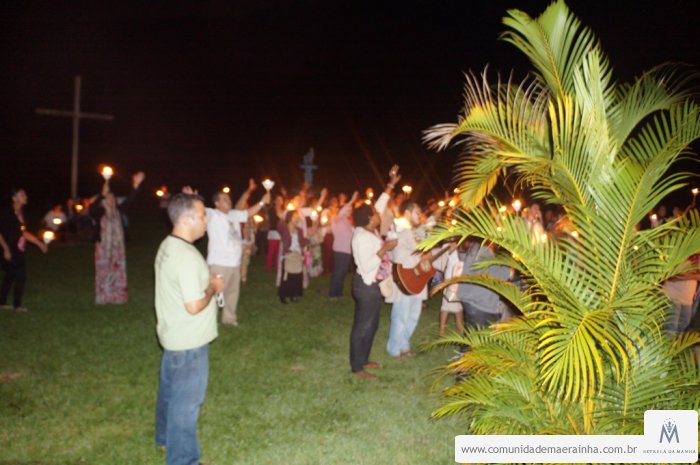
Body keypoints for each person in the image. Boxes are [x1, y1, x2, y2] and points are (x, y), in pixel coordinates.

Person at [154, 192, 224, 465]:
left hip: (173, 336)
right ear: (187, 219)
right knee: (186, 405)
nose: (206, 221)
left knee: (169, 393)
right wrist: (213, 287)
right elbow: (194, 305)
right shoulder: (185, 256)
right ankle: (183, 459)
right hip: (189, 343)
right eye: (203, 216)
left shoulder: (168, 245)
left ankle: (164, 438)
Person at [349, 166, 400, 379]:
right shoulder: (361, 237)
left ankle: (364, 359)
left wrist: (390, 185)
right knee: (362, 325)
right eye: (376, 214)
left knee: (373, 324)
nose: (379, 213)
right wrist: (384, 248)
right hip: (365, 285)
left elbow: (379, 204)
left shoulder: (370, 229)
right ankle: (357, 368)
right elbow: (367, 265)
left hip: (373, 285)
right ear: (370, 219)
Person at [198, 180, 269, 326]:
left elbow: (249, 212)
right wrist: (191, 198)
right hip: (219, 263)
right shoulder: (213, 214)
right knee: (213, 293)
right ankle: (206, 321)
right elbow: (198, 209)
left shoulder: (233, 215)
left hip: (234, 263)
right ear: (217, 203)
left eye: (229, 198)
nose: (229, 201)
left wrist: (262, 202)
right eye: (224, 199)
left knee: (232, 293)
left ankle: (229, 318)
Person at [89, 171, 145, 304]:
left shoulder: (119, 210)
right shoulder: (99, 211)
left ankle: (118, 296)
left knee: (118, 270)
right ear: (104, 200)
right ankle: (104, 297)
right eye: (108, 198)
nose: (111, 200)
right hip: (103, 247)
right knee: (104, 270)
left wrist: (135, 185)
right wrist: (102, 194)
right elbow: (92, 208)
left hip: (118, 247)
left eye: (113, 198)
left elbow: (130, 199)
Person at [385, 200, 431, 359]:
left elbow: (424, 251)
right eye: (417, 212)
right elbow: (397, 256)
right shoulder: (399, 230)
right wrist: (421, 257)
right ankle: (394, 349)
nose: (420, 215)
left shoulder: (415, 233)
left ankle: (404, 345)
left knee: (413, 316)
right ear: (407, 213)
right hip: (405, 279)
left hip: (417, 279)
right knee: (401, 316)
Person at [0, 188, 48, 312]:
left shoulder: (21, 213)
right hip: (7, 247)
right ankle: (17, 305)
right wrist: (5, 249)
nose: (25, 196)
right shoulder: (7, 213)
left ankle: (2, 302)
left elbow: (23, 232)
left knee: (11, 275)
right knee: (20, 275)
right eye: (22, 195)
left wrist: (39, 243)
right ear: (14, 198)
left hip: (18, 248)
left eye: (25, 194)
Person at [329, 191, 359, 299]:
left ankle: (339, 292)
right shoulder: (336, 219)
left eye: (351, 210)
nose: (350, 211)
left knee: (343, 273)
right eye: (348, 210)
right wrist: (352, 200)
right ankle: (333, 293)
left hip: (347, 251)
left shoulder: (348, 222)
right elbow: (341, 212)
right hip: (339, 250)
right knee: (338, 272)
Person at [277, 209, 307, 303]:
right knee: (287, 275)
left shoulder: (299, 230)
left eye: (297, 217)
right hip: (288, 255)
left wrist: (307, 242)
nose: (297, 218)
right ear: (289, 218)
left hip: (297, 254)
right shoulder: (284, 228)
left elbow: (302, 241)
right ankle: (283, 295)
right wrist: (282, 217)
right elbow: (279, 226)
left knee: (297, 275)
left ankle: (294, 294)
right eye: (295, 216)